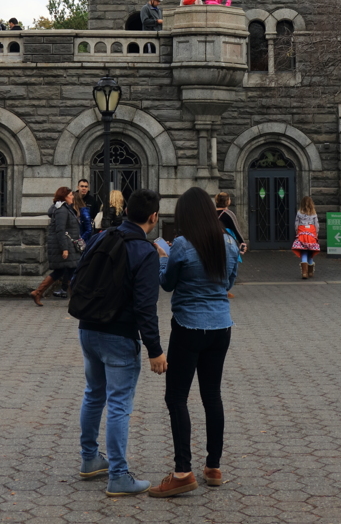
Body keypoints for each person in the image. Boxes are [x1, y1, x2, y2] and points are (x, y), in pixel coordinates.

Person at [76, 189, 167, 497]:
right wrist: (155, 350)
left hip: (88, 328)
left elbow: (79, 273)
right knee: (118, 404)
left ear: (127, 210)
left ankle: (89, 458)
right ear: (153, 217)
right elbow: (145, 307)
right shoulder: (145, 251)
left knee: (94, 394)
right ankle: (118, 475)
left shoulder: (104, 236)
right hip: (119, 335)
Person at [149, 187, 239, 497]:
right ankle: (213, 467)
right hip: (221, 327)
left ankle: (183, 471)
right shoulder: (228, 242)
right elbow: (228, 282)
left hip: (188, 328)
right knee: (211, 394)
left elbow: (167, 284)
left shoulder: (183, 246)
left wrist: (163, 257)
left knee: (176, 397)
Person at [29, 187, 81, 305]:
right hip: (64, 246)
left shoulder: (64, 208)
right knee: (72, 270)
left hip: (66, 245)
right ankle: (75, 301)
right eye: (71, 195)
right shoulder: (62, 210)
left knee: (60, 271)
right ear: (64, 197)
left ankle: (37, 292)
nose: (73, 197)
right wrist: (65, 249)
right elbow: (60, 230)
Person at [292, 195, 320, 278]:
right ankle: (310, 272)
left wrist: (297, 232)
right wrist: (316, 233)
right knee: (310, 252)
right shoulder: (313, 213)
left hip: (302, 233)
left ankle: (304, 273)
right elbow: (316, 224)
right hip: (311, 233)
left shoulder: (299, 212)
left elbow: (296, 223)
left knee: (304, 251)